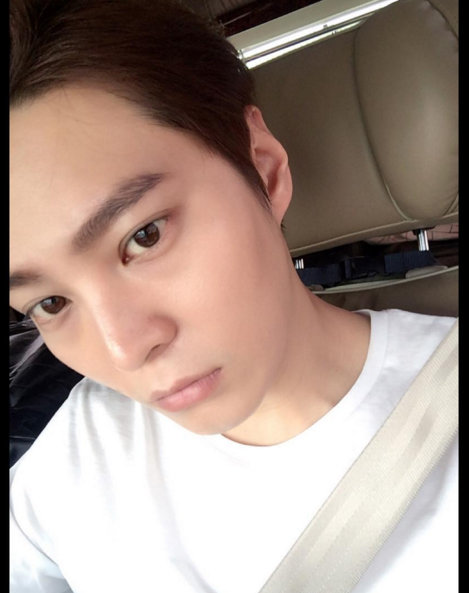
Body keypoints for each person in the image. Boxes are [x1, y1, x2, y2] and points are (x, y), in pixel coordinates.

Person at [9, 1, 457, 592]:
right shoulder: (73, 454)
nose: (124, 350)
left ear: (263, 170)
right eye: (51, 303)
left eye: (144, 237)